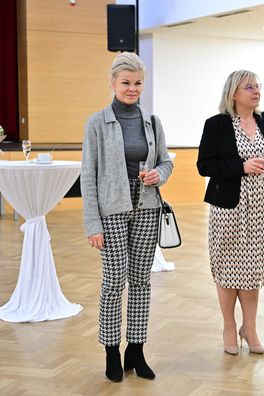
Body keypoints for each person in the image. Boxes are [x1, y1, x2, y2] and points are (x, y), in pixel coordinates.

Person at [81, 52, 173, 382]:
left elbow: (166, 161)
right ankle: (111, 352)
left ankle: (136, 350)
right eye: (125, 83)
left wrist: (160, 174)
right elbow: (88, 176)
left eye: (137, 83)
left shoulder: (153, 122)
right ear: (113, 83)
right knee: (113, 281)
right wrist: (93, 224)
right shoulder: (96, 123)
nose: (132, 89)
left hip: (147, 209)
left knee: (141, 281)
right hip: (112, 212)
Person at [197, 70, 264, 355]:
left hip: (261, 207)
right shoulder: (216, 125)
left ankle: (249, 328)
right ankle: (229, 325)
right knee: (227, 267)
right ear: (234, 93)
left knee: (252, 267)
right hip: (228, 208)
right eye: (249, 87)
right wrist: (241, 167)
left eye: (257, 86)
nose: (256, 91)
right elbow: (204, 165)